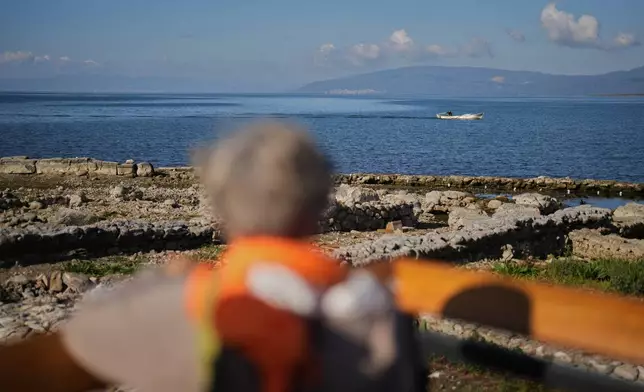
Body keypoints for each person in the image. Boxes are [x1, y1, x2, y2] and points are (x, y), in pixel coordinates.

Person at [0, 121, 428, 392]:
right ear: (320, 204)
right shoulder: (383, 320)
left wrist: (160, 288)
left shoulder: (172, 309)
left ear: (220, 208)